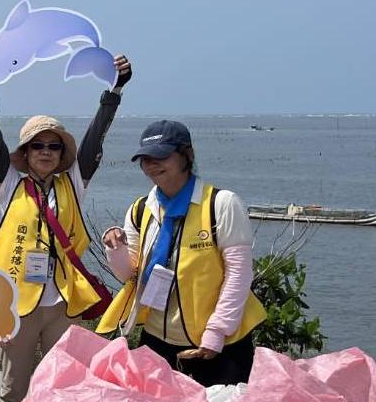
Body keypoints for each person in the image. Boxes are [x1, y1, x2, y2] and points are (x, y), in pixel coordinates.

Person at [0, 47, 133, 402]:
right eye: (37, 146)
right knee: (13, 390)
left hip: (62, 301)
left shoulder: (72, 185)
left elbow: (96, 139)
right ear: (26, 153)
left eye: (53, 146)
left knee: (61, 386)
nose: (45, 151)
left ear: (62, 155)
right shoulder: (9, 185)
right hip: (18, 304)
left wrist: (115, 92)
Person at [99, 120, 265, 385]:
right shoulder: (141, 210)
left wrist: (216, 332)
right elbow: (129, 275)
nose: (152, 164)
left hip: (218, 342)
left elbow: (239, 274)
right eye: (145, 158)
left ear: (188, 155)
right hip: (158, 339)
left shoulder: (221, 204)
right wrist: (114, 247)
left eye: (162, 155)